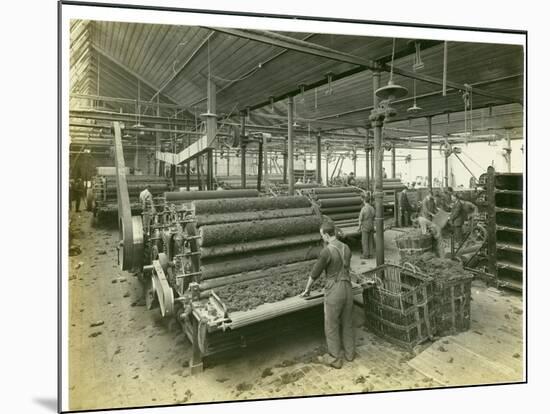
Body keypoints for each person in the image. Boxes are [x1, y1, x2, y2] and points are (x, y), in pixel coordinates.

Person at [300, 221, 354, 369]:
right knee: (348, 322)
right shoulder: (346, 248)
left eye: (321, 235)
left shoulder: (327, 251)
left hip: (334, 290)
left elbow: (315, 273)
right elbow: (347, 267)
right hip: (347, 287)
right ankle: (350, 354)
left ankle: (335, 358)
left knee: (331, 325)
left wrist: (307, 289)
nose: (322, 238)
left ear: (325, 235)